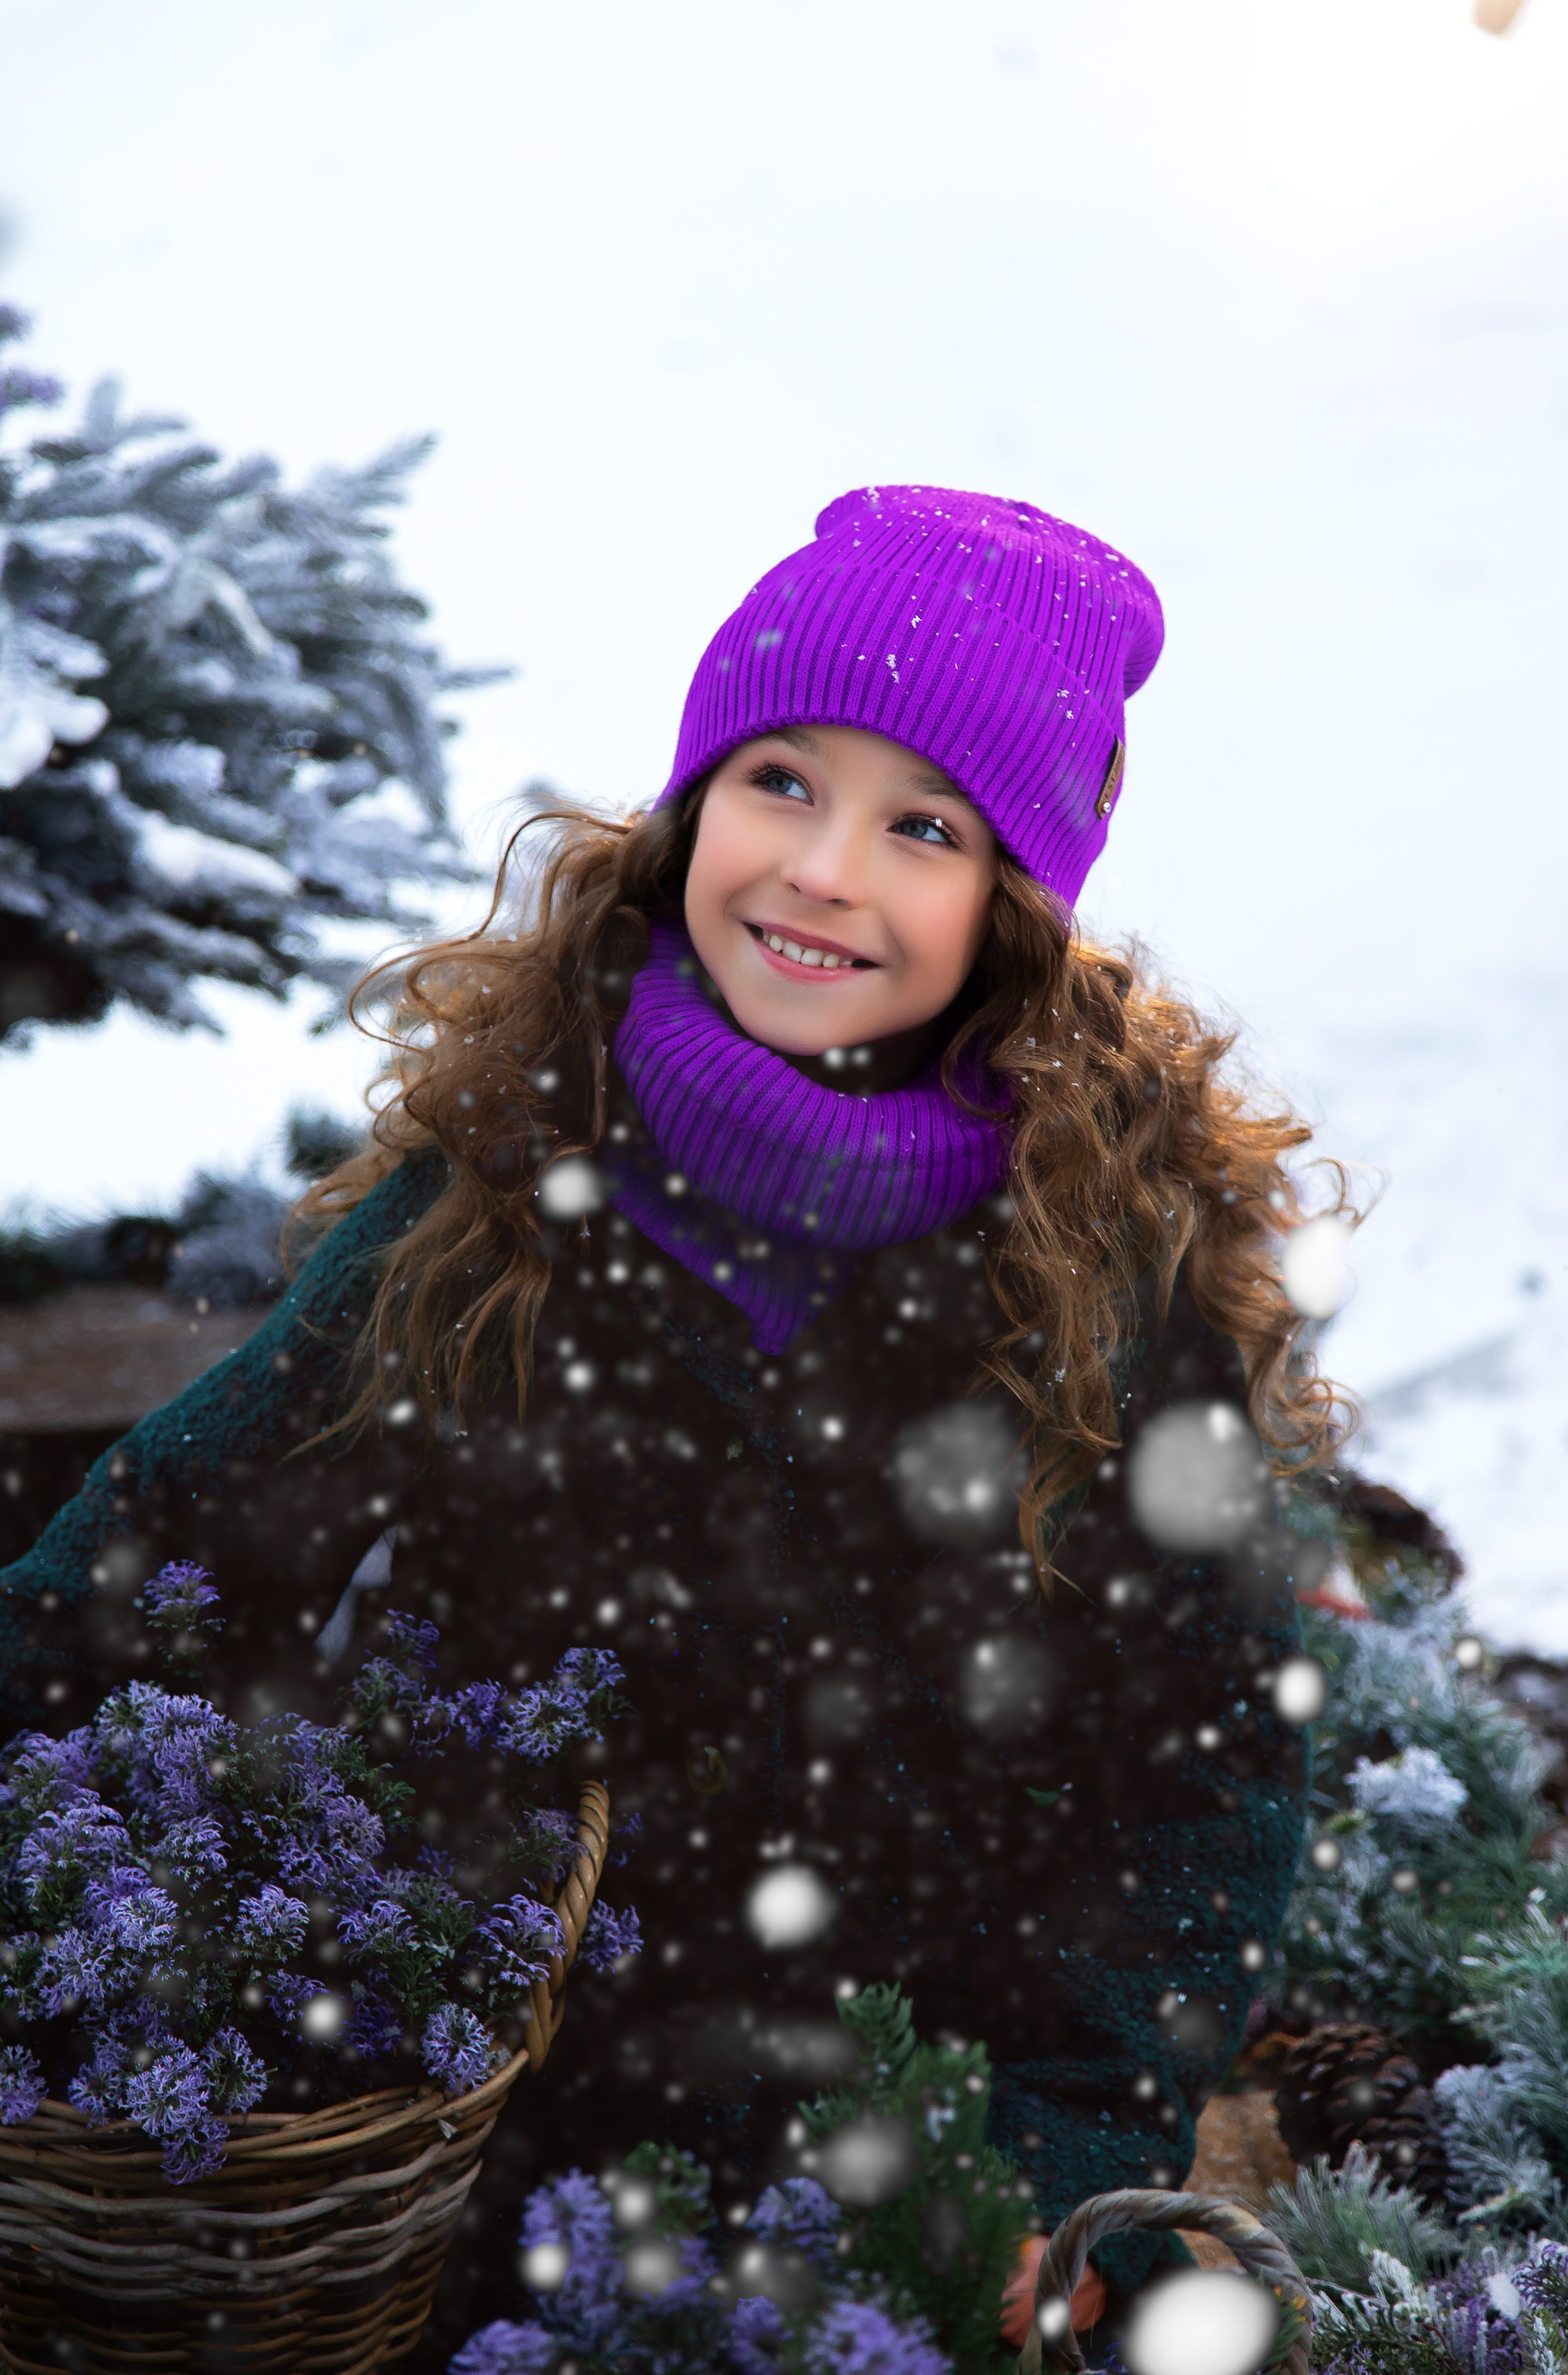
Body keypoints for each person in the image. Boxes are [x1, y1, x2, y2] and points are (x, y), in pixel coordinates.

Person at [0, 485, 1351, 2361]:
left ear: (1015, 903)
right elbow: (178, 1528)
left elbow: (1199, 1768)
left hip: (906, 2140)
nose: (822, 872)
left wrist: (1054, 2159)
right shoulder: (501, 1191)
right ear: (692, 802)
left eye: (925, 827)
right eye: (780, 780)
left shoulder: (1106, 1270)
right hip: (490, 2142)